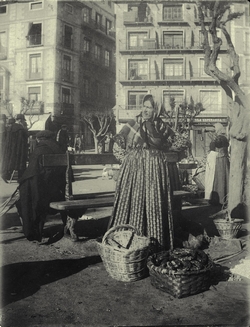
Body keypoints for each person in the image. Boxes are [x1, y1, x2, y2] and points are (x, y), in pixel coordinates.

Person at [108, 94, 181, 251]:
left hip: (155, 172)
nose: (145, 110)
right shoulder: (133, 123)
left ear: (156, 109)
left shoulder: (161, 126)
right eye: (144, 106)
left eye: (149, 107)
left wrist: (166, 154)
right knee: (134, 203)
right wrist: (128, 160)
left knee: (153, 205)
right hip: (134, 172)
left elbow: (181, 141)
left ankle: (154, 243)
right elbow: (117, 143)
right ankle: (128, 242)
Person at [15, 130, 67, 242]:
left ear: (39, 139)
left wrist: (21, 181)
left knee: (24, 198)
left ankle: (30, 230)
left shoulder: (39, 150)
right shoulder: (60, 148)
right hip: (58, 189)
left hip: (43, 189)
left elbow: (31, 173)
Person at [205, 123, 230, 205]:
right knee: (223, 178)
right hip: (224, 159)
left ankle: (219, 200)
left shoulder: (219, 138)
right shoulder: (224, 138)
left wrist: (212, 138)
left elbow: (214, 146)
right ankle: (224, 198)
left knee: (219, 179)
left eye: (215, 128)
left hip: (219, 160)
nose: (214, 130)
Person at [1, 114, 28, 181]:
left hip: (10, 148)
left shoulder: (9, 128)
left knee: (9, 160)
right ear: (20, 120)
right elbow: (24, 138)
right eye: (22, 120)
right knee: (20, 161)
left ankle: (6, 175)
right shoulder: (20, 128)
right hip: (19, 148)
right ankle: (20, 177)